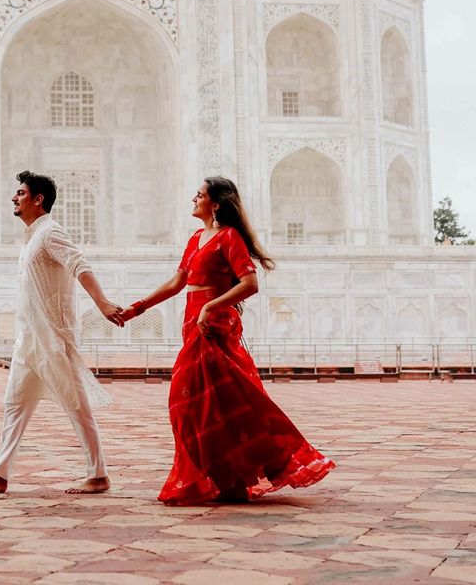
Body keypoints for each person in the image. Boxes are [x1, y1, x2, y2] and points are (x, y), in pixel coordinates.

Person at [122, 176, 335, 505]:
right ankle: (228, 478)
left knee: (215, 404)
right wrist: (138, 308)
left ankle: (234, 476)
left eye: (200, 195)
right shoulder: (195, 239)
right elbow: (177, 283)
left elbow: (250, 283)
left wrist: (211, 304)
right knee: (197, 406)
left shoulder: (229, 237)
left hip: (214, 326)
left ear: (216, 204)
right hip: (194, 324)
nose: (194, 198)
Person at [0, 170, 124, 495]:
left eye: (20, 193)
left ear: (38, 200)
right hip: (29, 339)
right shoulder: (32, 237)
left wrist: (103, 303)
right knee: (15, 403)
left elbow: (80, 265)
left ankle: (98, 474)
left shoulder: (50, 233)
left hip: (52, 336)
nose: (14, 197)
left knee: (75, 402)